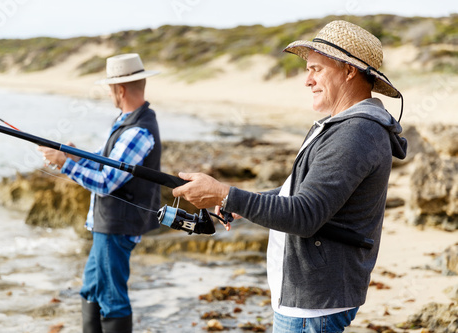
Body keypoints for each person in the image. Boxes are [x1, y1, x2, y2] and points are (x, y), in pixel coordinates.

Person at [172, 20, 407, 332]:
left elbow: (304, 215)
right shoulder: (344, 127)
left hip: (315, 302)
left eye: (316, 69)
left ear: (349, 70)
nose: (307, 80)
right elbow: (300, 195)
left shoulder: (355, 134)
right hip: (313, 297)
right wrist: (243, 203)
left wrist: (224, 194)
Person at [39, 53, 161, 333]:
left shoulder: (138, 131)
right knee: (91, 291)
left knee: (111, 300)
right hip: (108, 226)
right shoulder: (128, 121)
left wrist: (64, 164)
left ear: (120, 90)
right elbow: (109, 159)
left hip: (116, 227)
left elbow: (106, 182)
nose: (109, 94)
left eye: (110, 89)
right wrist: (75, 154)